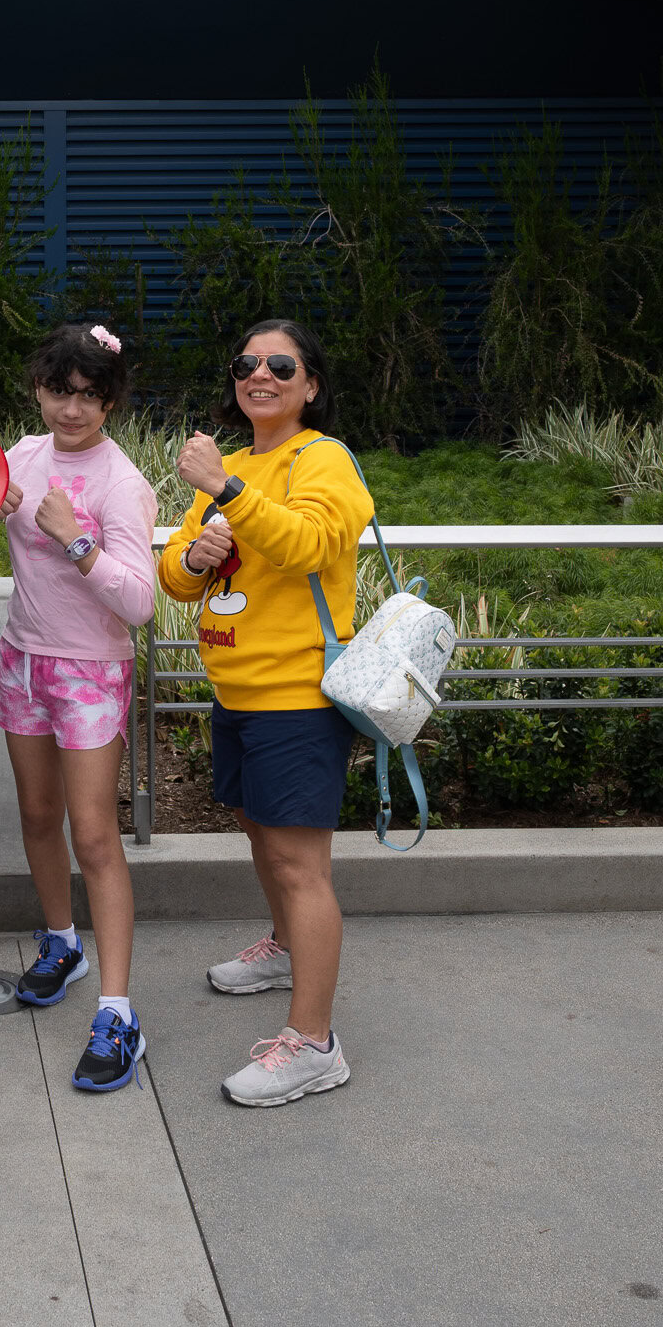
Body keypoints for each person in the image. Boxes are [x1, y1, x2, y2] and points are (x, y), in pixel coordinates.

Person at [157, 319, 371, 1107]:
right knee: (257, 829)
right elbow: (175, 580)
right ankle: (284, 948)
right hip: (237, 692)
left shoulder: (322, 459)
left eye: (282, 364)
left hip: (298, 696)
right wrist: (193, 556)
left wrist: (227, 493)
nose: (262, 373)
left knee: (298, 864)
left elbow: (312, 545)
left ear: (311, 384)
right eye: (247, 362)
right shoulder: (236, 463)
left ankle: (314, 1043)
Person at [0, 323, 158, 1093]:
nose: (72, 409)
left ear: (112, 402)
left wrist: (76, 540)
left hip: (90, 672)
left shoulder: (121, 482)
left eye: (89, 396)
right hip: (22, 657)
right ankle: (62, 942)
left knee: (94, 835)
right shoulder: (23, 456)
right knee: (36, 814)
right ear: (39, 389)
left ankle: (119, 1014)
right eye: (60, 391)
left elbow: (141, 602)